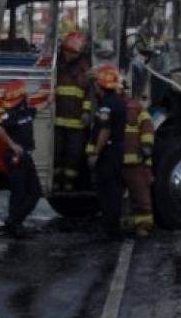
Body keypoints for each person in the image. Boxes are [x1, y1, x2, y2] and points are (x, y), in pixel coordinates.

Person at [0, 79, 42, 239]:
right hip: (16, 157)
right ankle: (14, 223)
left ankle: (15, 221)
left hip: (26, 156)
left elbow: (41, 107)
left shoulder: (27, 111)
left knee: (34, 192)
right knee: (20, 193)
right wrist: (12, 144)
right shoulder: (10, 114)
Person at [86, 64, 126, 240]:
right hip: (116, 151)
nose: (94, 87)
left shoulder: (107, 105)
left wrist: (95, 153)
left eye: (95, 84)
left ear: (100, 86)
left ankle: (110, 230)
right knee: (114, 190)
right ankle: (113, 228)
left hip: (108, 152)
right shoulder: (116, 101)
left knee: (107, 191)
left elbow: (104, 130)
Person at [53, 31, 92, 191]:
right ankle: (55, 182)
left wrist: (86, 112)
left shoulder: (84, 67)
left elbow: (89, 93)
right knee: (56, 154)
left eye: (72, 52)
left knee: (73, 155)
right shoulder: (57, 65)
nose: (68, 54)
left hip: (76, 122)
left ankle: (69, 185)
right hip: (57, 120)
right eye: (66, 51)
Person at [120, 94, 155, 237]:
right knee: (133, 195)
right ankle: (133, 224)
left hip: (136, 162)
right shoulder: (134, 108)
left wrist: (146, 147)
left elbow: (147, 128)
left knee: (140, 195)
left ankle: (144, 225)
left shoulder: (136, 109)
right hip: (129, 161)